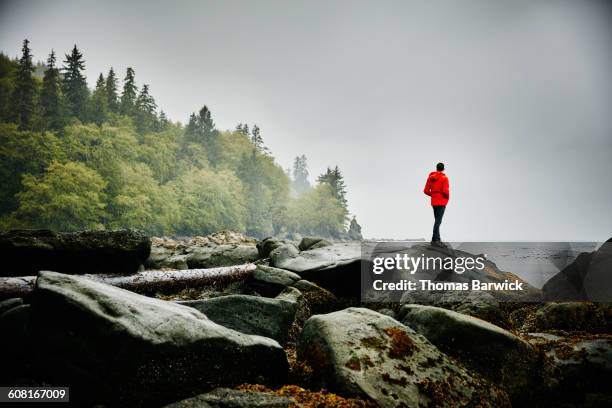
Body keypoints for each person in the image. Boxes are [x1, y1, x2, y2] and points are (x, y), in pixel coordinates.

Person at [423, 162, 450, 247]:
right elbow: (446, 191)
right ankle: (434, 240)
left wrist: (434, 195)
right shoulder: (444, 178)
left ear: (436, 168)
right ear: (443, 169)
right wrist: (447, 198)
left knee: (437, 220)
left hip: (434, 201)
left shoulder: (430, 178)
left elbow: (426, 191)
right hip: (442, 201)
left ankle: (437, 239)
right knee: (438, 221)